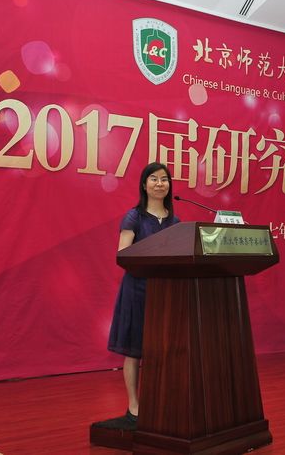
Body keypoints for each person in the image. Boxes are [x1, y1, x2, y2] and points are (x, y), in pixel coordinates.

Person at [104, 162, 179, 430]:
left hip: (166, 292)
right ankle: (134, 405)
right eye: (154, 179)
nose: (160, 184)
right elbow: (123, 255)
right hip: (137, 290)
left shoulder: (175, 222)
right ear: (144, 185)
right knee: (135, 350)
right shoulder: (134, 217)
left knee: (164, 350)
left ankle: (161, 402)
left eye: (164, 179)